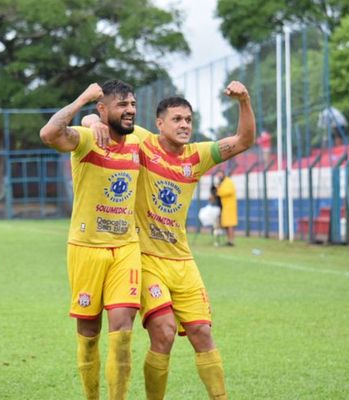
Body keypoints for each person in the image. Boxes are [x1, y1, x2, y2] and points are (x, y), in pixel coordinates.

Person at [85, 81, 255, 399]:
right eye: (177, 119)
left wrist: (244, 101)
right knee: (163, 333)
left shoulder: (198, 156)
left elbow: (244, 140)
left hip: (183, 261)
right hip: (147, 259)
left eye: (188, 120)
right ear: (159, 123)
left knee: (202, 333)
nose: (184, 125)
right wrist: (93, 121)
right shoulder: (143, 142)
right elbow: (98, 120)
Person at [40, 80, 144, 400]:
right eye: (121, 105)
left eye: (132, 105)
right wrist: (83, 102)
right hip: (85, 248)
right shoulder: (86, 138)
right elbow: (49, 133)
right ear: (102, 108)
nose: (129, 110)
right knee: (88, 332)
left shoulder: (141, 140)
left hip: (126, 247)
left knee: (122, 332)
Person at [215, 170, 238, 247]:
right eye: (218, 175)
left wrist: (218, 190)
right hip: (225, 206)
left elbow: (228, 191)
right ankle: (229, 240)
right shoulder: (222, 183)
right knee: (225, 225)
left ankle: (232, 241)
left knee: (230, 224)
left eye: (220, 175)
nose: (219, 177)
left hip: (230, 206)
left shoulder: (228, 182)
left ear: (223, 174)